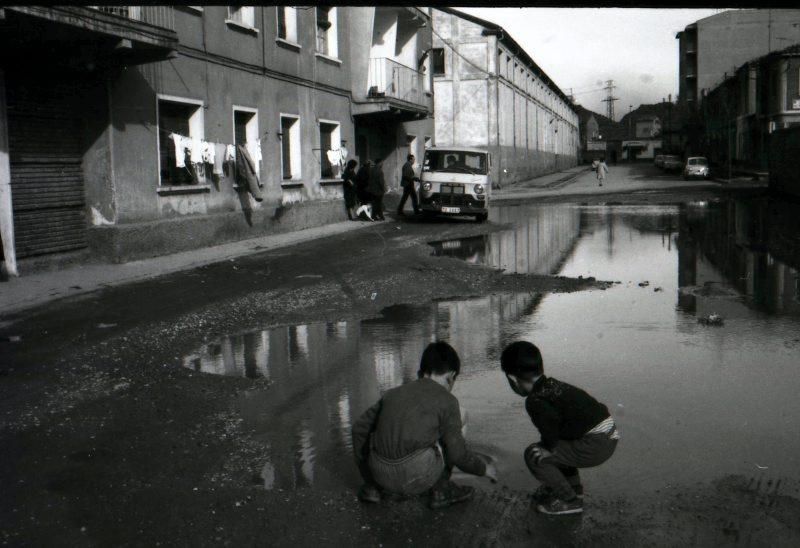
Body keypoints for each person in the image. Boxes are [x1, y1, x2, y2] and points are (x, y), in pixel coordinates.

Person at [352, 342, 497, 509]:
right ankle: (442, 489)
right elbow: (458, 455)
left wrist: (369, 478)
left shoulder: (392, 394)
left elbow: (358, 429)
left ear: (420, 373)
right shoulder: (448, 401)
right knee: (461, 415)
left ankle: (372, 490)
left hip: (380, 475)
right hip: (416, 476)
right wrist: (483, 469)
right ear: (451, 376)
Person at [500, 341, 619, 515]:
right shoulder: (553, 386)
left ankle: (568, 499)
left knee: (535, 454)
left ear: (512, 379)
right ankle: (573, 489)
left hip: (596, 444)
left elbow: (550, 430)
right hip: (607, 435)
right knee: (555, 449)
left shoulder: (535, 400)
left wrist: (548, 450)